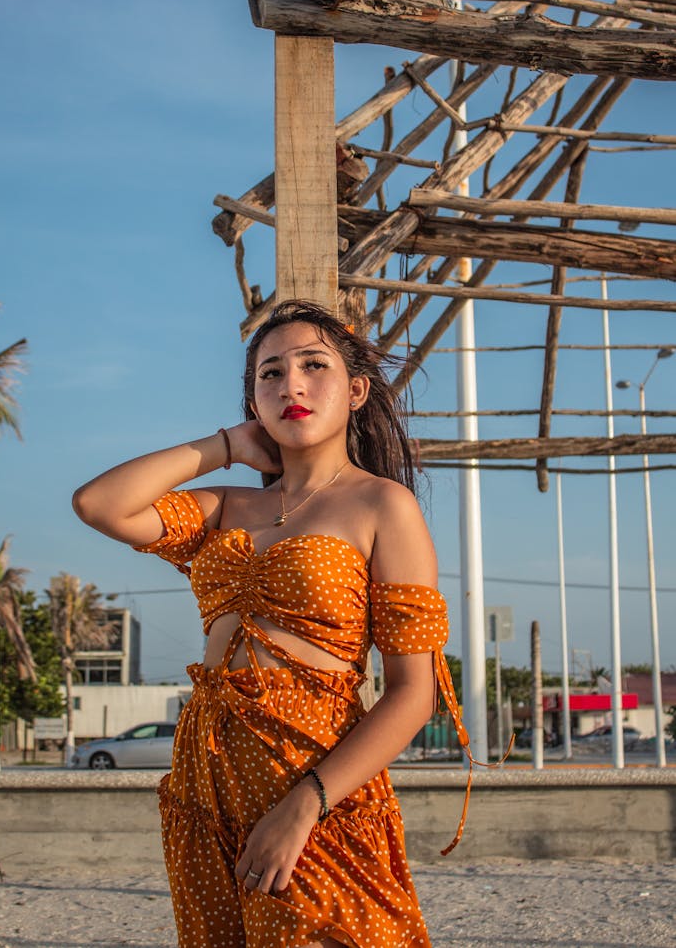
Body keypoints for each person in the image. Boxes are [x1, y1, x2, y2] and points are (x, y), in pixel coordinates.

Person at [73, 299, 469, 948]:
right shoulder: (226, 505)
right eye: (271, 373)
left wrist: (306, 802)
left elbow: (413, 692)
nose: (293, 384)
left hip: (314, 781)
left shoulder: (381, 505)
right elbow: (99, 504)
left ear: (357, 390)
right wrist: (224, 446)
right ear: (254, 400)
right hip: (206, 789)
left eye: (314, 365)